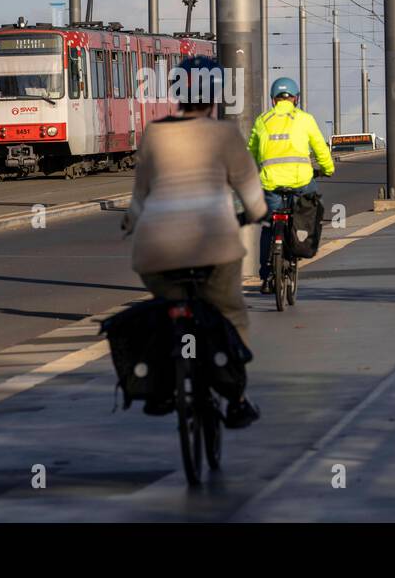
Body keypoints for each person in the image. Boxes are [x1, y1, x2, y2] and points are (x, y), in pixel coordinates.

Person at [125, 55, 268, 428]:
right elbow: (250, 193)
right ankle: (236, 397)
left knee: (164, 312)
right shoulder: (224, 134)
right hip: (215, 245)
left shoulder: (154, 134)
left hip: (156, 251)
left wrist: (129, 224)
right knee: (229, 313)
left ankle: (162, 387)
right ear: (216, 94)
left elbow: (140, 197)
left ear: (176, 94)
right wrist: (255, 214)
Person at [248, 76, 335, 290]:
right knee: (310, 207)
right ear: (295, 98)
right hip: (301, 181)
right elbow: (320, 148)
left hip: (270, 182)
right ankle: (301, 242)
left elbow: (251, 152)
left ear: (273, 100)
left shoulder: (262, 120)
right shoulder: (304, 119)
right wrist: (328, 169)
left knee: (269, 225)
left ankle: (267, 275)